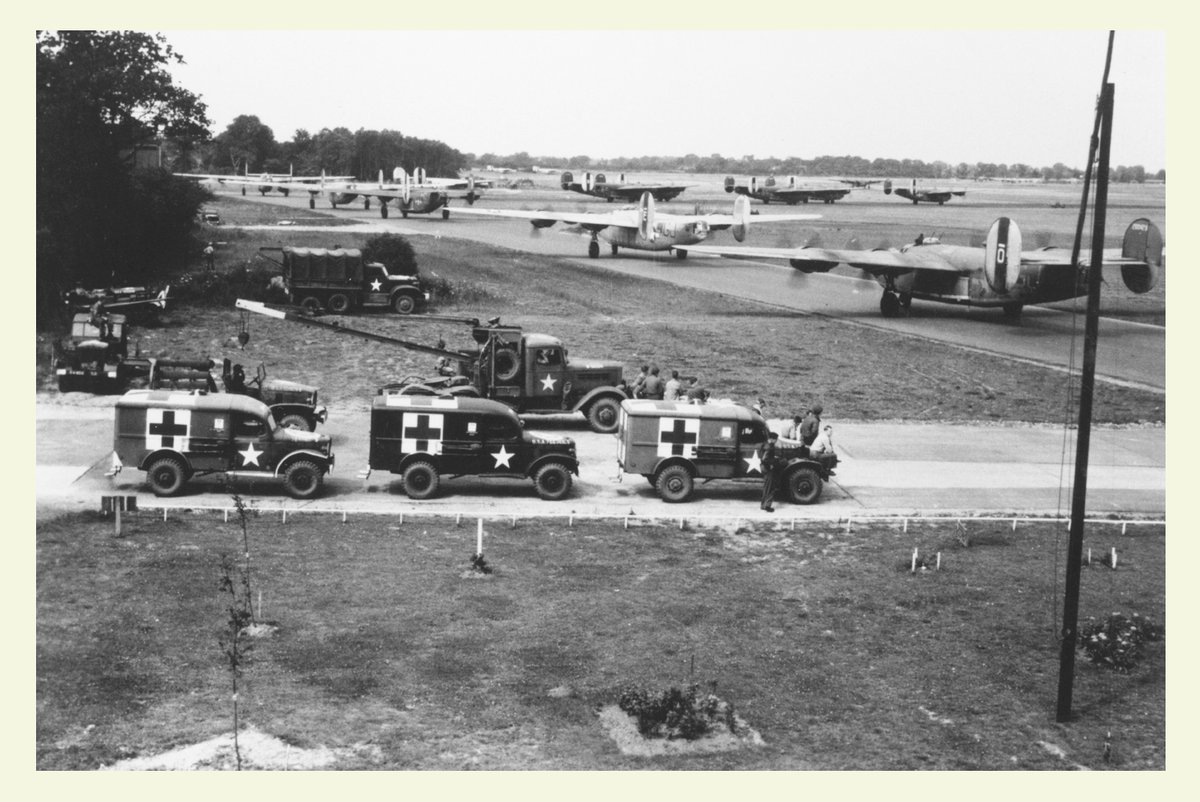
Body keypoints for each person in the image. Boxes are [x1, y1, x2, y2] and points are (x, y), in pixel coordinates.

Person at [760, 431, 783, 512]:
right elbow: (765, 459)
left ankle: (763, 505)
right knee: (770, 488)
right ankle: (767, 506)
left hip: (764, 467)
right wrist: (772, 463)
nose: (776, 441)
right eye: (775, 439)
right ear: (772, 439)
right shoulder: (770, 447)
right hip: (768, 469)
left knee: (766, 487)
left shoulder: (765, 444)